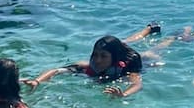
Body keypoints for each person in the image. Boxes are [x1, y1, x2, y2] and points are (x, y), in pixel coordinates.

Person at [26, 29, 156, 98]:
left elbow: (137, 84)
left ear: (114, 58)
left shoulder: (125, 68)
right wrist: (37, 81)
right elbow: (55, 71)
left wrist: (124, 94)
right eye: (95, 55)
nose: (97, 60)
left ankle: (171, 37)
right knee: (126, 41)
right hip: (118, 49)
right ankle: (149, 28)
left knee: (153, 52)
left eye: (103, 56)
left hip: (141, 60)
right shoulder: (87, 66)